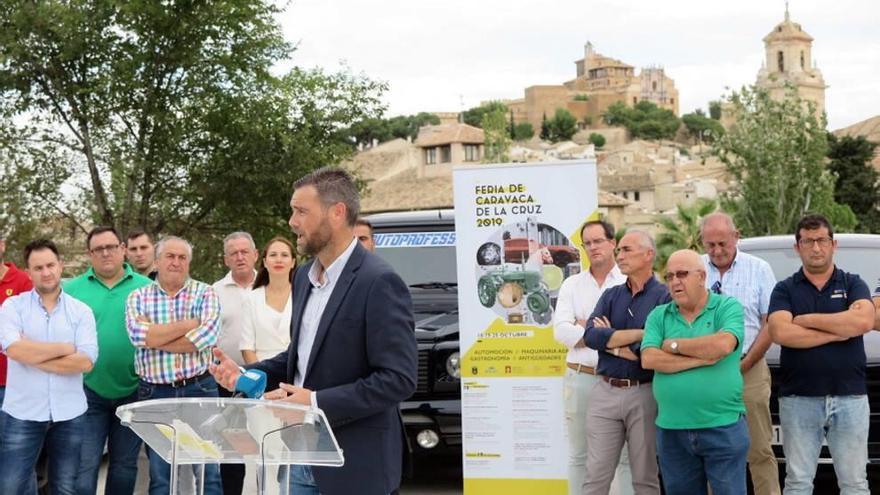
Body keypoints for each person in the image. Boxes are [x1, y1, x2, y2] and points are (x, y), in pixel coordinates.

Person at [210, 166, 417, 495]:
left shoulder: (379, 281)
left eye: (301, 211)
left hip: (355, 464)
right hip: (300, 454)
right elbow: (301, 355)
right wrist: (245, 373)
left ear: (337, 213)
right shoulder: (304, 278)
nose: (292, 221)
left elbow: (399, 379)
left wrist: (316, 401)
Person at [768, 214, 875, 495]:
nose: (816, 248)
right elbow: (781, 333)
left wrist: (804, 320)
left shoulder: (854, 283)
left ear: (833, 244)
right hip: (798, 399)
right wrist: (840, 329)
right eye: (808, 241)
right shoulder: (784, 289)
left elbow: (863, 322)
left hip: (850, 398)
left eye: (821, 241)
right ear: (798, 247)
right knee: (798, 482)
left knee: (854, 483)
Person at [641, 249, 748, 495]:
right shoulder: (659, 315)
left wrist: (674, 346)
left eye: (682, 274)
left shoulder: (727, 307)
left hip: (723, 427)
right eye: (669, 277)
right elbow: (649, 358)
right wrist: (701, 360)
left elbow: (722, 345)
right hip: (672, 431)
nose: (674, 282)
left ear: (701, 276)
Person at [126, 235, 222, 495]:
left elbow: (206, 338)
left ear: (189, 263)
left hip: (199, 388)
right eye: (170, 256)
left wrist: (155, 336)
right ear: (157, 261)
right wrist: (189, 325)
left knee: (208, 472)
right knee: (161, 475)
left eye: (182, 258)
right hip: (155, 393)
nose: (176, 262)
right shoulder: (138, 297)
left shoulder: (206, 293)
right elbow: (138, 336)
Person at [0, 239, 98, 494]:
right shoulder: (13, 307)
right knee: (11, 486)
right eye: (38, 267)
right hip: (22, 412)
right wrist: (65, 348)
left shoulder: (81, 311)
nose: (46, 272)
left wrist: (31, 352)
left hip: (70, 413)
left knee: (65, 487)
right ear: (28, 272)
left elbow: (86, 362)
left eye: (50, 265)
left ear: (61, 265)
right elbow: (13, 349)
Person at [64, 226, 152, 495]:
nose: (106, 253)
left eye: (111, 247)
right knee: (84, 464)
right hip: (88, 391)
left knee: (124, 466)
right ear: (90, 254)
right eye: (98, 249)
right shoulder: (72, 290)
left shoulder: (147, 288)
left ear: (122, 249)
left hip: (134, 390)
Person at [583, 230, 669, 495]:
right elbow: (591, 336)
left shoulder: (664, 298)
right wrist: (639, 334)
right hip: (604, 391)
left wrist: (612, 343)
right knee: (595, 476)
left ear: (649, 255)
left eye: (627, 250)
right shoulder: (611, 295)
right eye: (619, 250)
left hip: (644, 393)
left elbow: (650, 350)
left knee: (644, 476)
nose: (619, 256)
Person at [700, 212, 780, 495]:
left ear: (736, 237)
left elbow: (771, 322)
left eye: (723, 243)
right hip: (705, 372)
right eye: (710, 245)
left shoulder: (759, 269)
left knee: (758, 448)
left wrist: (745, 363)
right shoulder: (695, 270)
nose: (717, 251)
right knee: (712, 450)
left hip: (751, 367)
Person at [552, 220, 629, 495]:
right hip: (580, 377)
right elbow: (560, 332)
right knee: (579, 455)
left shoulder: (628, 282)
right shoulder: (572, 285)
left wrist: (584, 327)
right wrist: (607, 334)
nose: (593, 247)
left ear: (613, 242)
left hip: (620, 379)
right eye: (588, 243)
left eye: (599, 241)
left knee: (625, 458)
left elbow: (634, 332)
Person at [211, 232, 258, 495]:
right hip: (229, 382)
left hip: (269, 378)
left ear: (255, 255)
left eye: (244, 251)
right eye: (233, 253)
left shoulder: (272, 285)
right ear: (226, 259)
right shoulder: (214, 292)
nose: (240, 257)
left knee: (272, 447)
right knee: (232, 451)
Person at [240, 237, 296, 364]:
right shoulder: (251, 298)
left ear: (293, 262)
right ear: (265, 262)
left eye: (284, 255)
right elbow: (247, 348)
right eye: (273, 255)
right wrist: (262, 378)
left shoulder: (303, 294)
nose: (278, 260)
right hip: (263, 373)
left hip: (298, 373)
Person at [0, 233, 34, 437]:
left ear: (2, 245)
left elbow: (30, 331)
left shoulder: (22, 281)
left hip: (13, 385)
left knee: (13, 454)